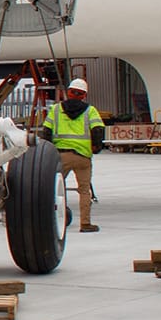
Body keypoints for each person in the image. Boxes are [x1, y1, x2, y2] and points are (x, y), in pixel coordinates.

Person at [40, 78, 106, 233]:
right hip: (82, 156)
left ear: (68, 92)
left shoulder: (55, 110)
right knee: (84, 191)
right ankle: (85, 224)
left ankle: (50, 221)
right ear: (84, 95)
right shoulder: (90, 111)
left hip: (60, 156)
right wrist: (96, 147)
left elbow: (46, 132)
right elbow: (97, 130)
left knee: (52, 189)